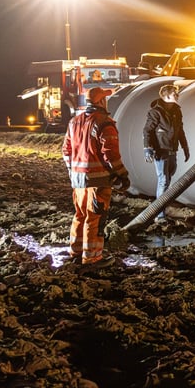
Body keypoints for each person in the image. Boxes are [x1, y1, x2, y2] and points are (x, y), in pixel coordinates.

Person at [61, 86, 129, 268]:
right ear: (100, 102)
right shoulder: (105, 123)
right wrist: (122, 174)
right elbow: (110, 154)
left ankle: (75, 252)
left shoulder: (74, 122)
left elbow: (66, 151)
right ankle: (92, 258)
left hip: (77, 180)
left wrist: (72, 171)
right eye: (104, 98)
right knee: (95, 218)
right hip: (97, 181)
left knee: (80, 215)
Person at [142, 83, 189, 221]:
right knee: (163, 180)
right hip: (161, 151)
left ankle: (161, 208)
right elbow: (147, 131)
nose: (177, 96)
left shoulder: (176, 111)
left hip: (172, 149)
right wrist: (147, 148)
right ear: (167, 96)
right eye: (175, 94)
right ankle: (160, 214)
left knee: (169, 178)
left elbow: (180, 130)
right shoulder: (156, 112)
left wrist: (185, 147)